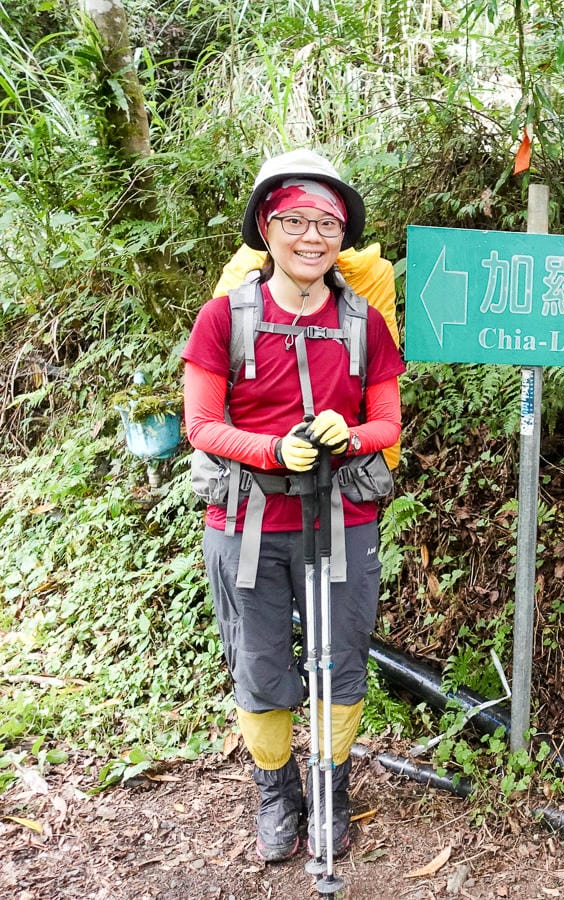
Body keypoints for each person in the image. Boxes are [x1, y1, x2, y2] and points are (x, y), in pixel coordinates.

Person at [182, 149, 404, 864]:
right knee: (260, 664)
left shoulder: (365, 321)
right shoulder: (224, 318)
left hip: (344, 521)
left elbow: (388, 424)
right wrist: (272, 450)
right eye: (295, 221)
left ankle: (331, 788)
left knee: (341, 663)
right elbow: (201, 425)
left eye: (327, 224)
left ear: (344, 235)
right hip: (248, 524)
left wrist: (351, 433)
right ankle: (277, 792)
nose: (312, 237)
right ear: (265, 227)